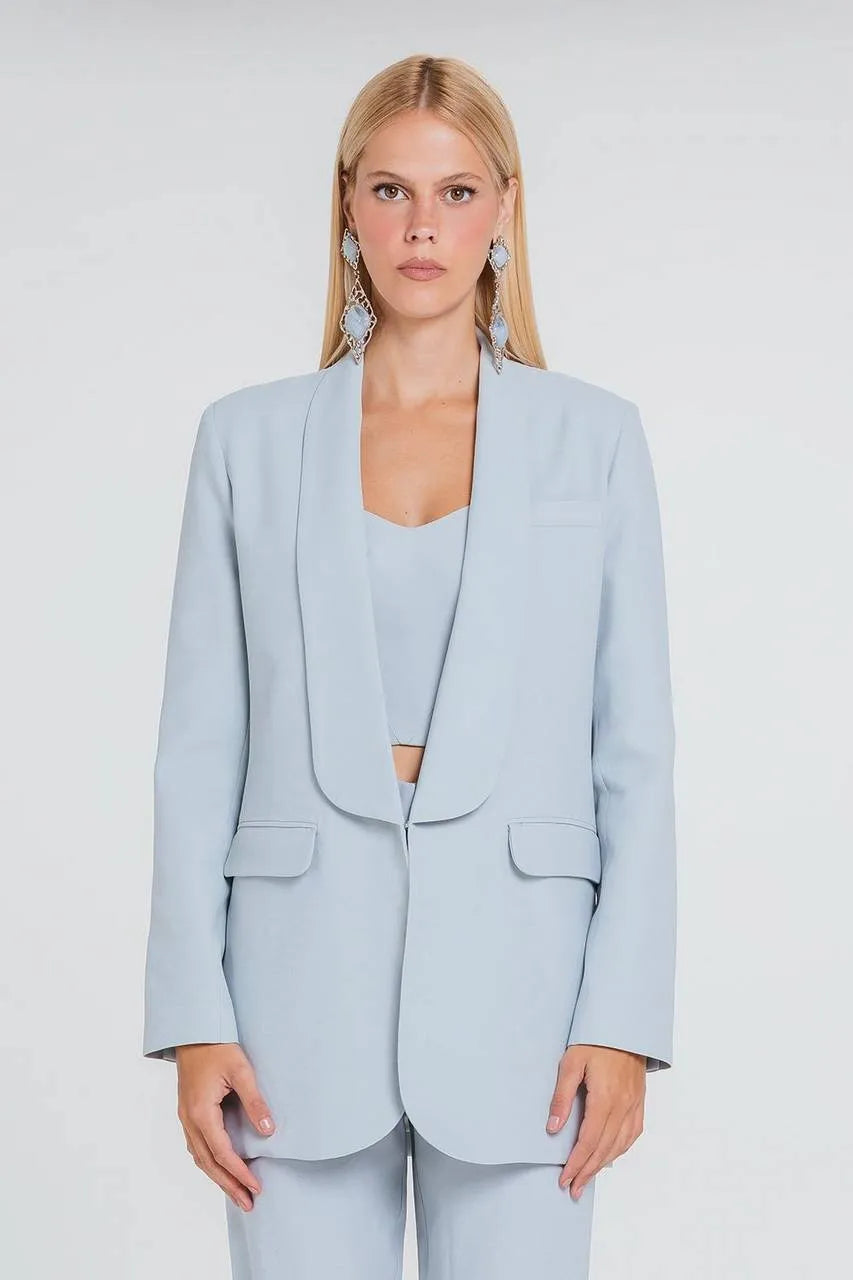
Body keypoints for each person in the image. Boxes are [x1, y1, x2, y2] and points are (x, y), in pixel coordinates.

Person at [142, 53, 677, 1280]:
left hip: (530, 1001)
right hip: (288, 1003)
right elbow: (198, 748)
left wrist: (622, 1020)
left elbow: (635, 753)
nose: (421, 226)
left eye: (455, 191)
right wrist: (192, 1016)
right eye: (389, 190)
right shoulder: (246, 441)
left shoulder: (593, 440)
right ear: (347, 205)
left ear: (504, 209)